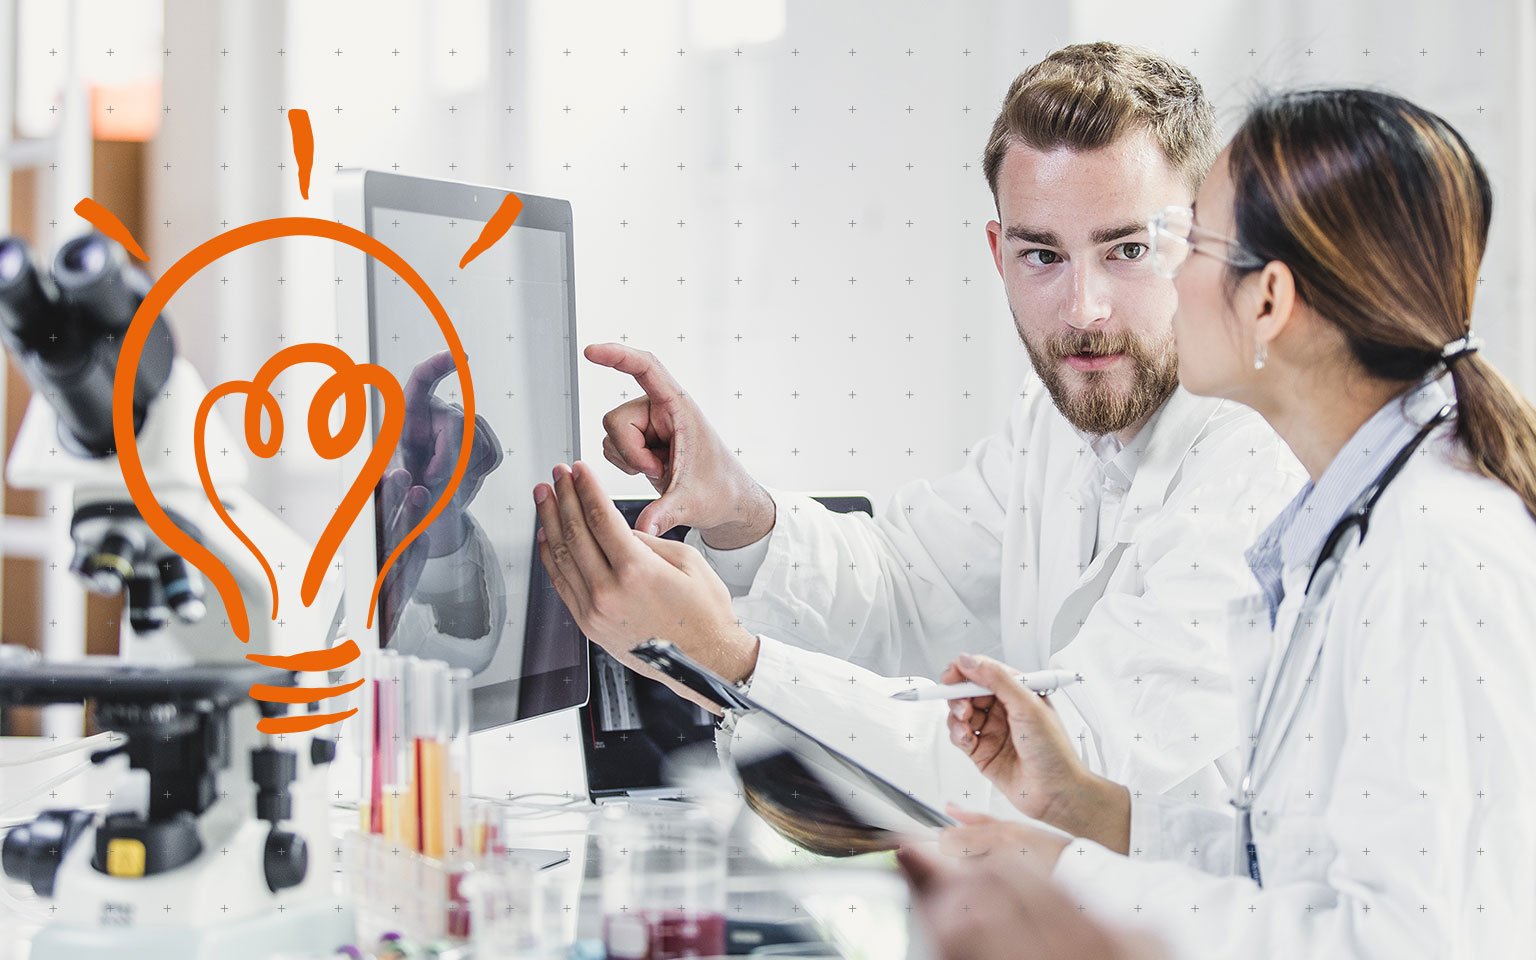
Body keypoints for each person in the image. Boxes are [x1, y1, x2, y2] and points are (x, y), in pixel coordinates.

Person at [534, 42, 1303, 826]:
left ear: (1207, 239)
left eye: (1128, 249)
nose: (1084, 309)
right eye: (1043, 255)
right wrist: (739, 512)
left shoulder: (1261, 457)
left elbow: (1064, 768)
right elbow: (905, 590)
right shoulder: (1057, 419)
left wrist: (724, 658)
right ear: (999, 255)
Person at [927, 87, 1536, 956]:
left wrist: (1072, 881)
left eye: (1192, 243)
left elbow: (1406, 942)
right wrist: (1085, 812)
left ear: (1267, 301)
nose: (1168, 278)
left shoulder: (1436, 557)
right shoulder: (1359, 524)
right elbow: (1297, 864)